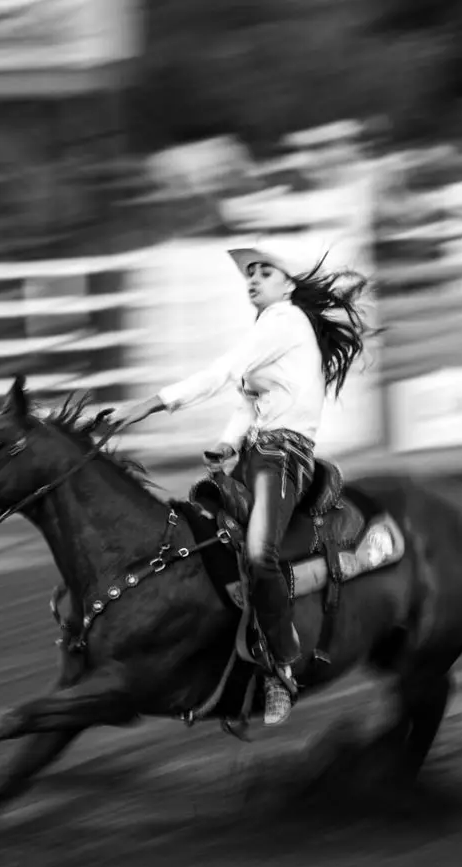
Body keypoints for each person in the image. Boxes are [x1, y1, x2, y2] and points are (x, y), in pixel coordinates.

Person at [107, 245, 373, 725]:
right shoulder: (269, 327)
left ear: (287, 284)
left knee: (257, 555)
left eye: (264, 272)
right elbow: (247, 402)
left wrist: (149, 404)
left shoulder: (285, 320)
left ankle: (284, 667)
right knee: (205, 541)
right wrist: (229, 444)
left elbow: (223, 372)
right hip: (253, 457)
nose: (252, 279)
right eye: (249, 274)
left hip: (283, 461)